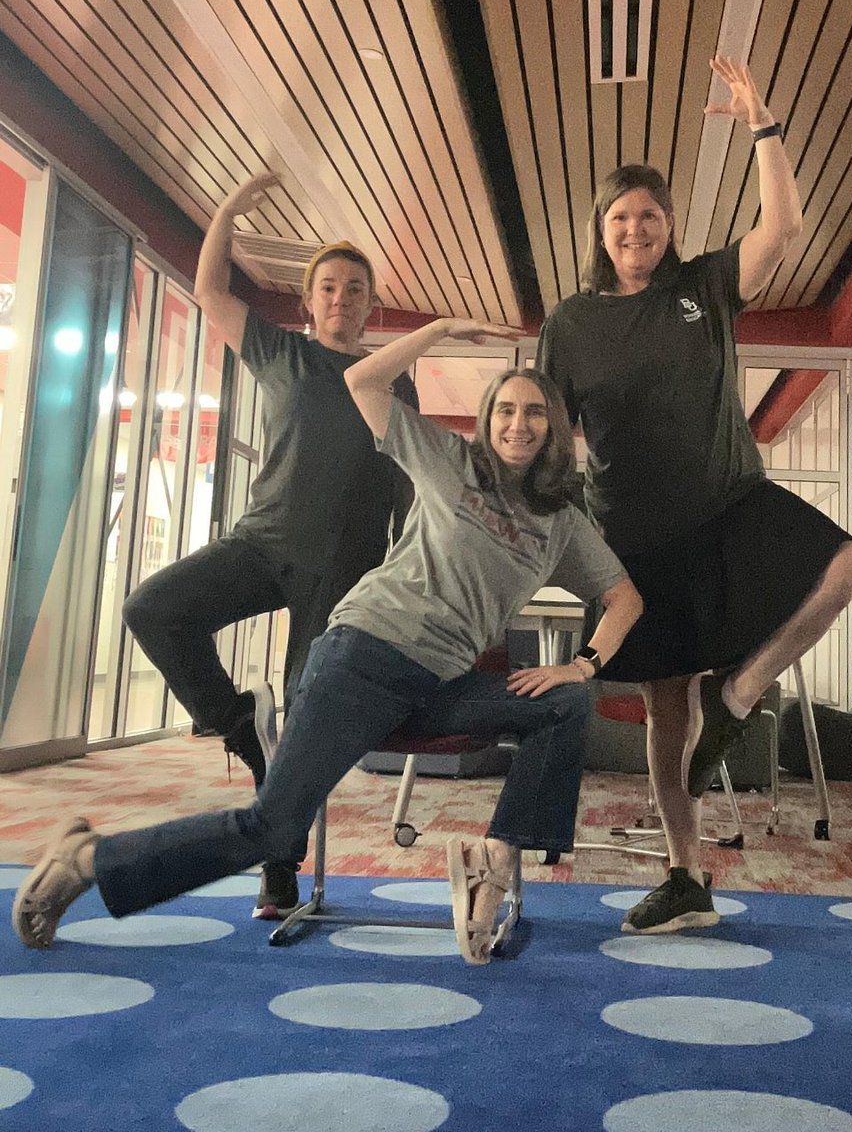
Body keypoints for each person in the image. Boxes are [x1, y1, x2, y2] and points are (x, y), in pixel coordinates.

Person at [13, 317, 644, 967]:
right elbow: (363, 381)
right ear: (487, 418)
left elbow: (625, 598)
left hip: (440, 685)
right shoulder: (452, 460)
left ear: (553, 427)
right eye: (505, 408)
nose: (519, 423)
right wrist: (443, 328)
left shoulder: (560, 521)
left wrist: (584, 664)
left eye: (534, 412)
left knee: (564, 705)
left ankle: (495, 860)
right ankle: (85, 859)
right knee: (272, 828)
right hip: (363, 656)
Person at [537, 57, 852, 935]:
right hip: (636, 538)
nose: (634, 228)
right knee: (663, 706)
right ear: (600, 232)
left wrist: (764, 125)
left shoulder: (703, 287)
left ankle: (746, 687)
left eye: (649, 215)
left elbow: (783, 226)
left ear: (669, 226)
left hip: (731, 500)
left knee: (845, 566)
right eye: (619, 217)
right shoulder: (569, 323)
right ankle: (686, 877)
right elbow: (549, 438)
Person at [120, 172, 418, 918]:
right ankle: (240, 726)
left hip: (345, 570)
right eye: (328, 287)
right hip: (262, 542)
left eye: (355, 288)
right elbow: (210, 289)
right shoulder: (279, 353)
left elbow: (415, 485)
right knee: (153, 609)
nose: (341, 298)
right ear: (310, 300)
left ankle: (278, 867)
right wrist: (226, 210)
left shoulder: (392, 380)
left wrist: (405, 568)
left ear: (368, 303)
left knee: (309, 716)